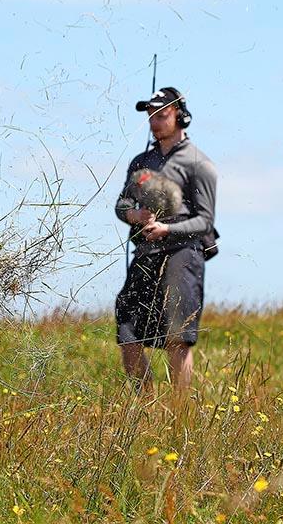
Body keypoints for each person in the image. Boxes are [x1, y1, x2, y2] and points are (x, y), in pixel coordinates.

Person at [114, 87, 218, 392]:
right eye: (151, 116)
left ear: (180, 115)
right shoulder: (140, 162)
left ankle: (179, 414)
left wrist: (168, 230)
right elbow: (122, 204)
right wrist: (135, 215)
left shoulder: (199, 164)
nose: (155, 122)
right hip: (146, 250)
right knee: (127, 332)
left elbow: (205, 221)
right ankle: (146, 407)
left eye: (162, 115)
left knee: (177, 335)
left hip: (183, 252)